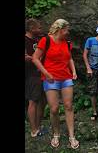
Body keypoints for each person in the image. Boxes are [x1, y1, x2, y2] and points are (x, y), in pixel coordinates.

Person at [32, 19, 79, 149]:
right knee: (54, 109)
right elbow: (35, 59)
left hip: (66, 78)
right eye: (67, 30)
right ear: (60, 29)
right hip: (50, 79)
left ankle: (71, 136)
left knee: (69, 106)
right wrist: (46, 73)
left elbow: (69, 58)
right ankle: (56, 133)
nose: (68, 32)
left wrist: (73, 71)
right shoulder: (45, 40)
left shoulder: (66, 43)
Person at [25, 18, 47, 137]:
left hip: (41, 74)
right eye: (38, 27)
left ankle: (38, 126)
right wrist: (35, 58)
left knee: (42, 101)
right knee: (32, 101)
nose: (40, 29)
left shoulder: (38, 39)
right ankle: (34, 130)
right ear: (31, 29)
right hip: (31, 75)